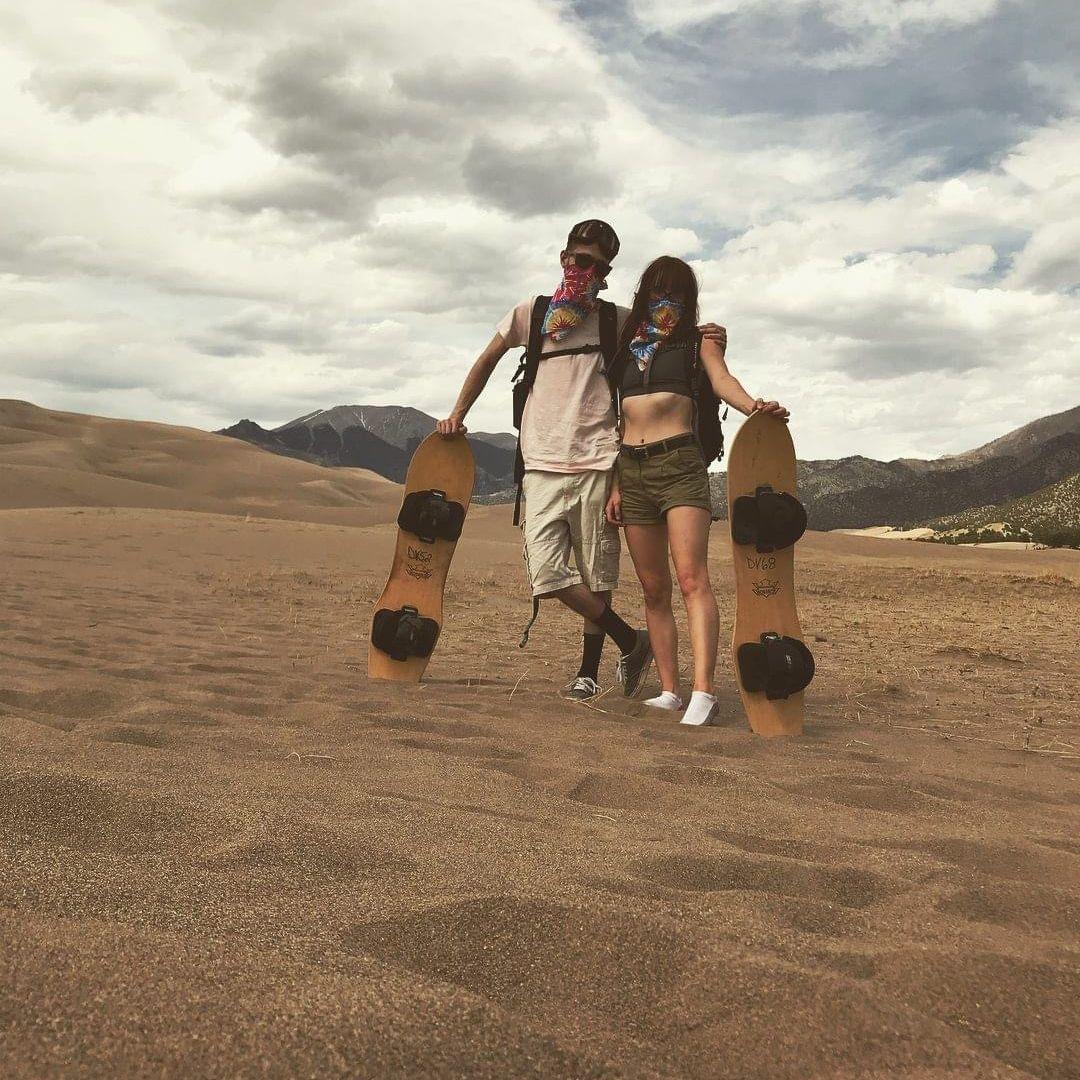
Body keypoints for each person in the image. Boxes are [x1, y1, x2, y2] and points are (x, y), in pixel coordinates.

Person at [436, 221, 725, 700]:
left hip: (598, 460)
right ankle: (628, 638)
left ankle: (588, 672)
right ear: (563, 257)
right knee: (546, 575)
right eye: (576, 258)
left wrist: (709, 335)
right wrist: (456, 415)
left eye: (593, 263)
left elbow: (669, 333)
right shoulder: (532, 313)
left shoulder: (618, 322)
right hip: (541, 462)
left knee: (596, 573)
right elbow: (486, 359)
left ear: (605, 271)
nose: (581, 268)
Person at [604, 256, 789, 727]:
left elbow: (721, 379)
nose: (666, 300)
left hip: (680, 464)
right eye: (657, 290)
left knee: (691, 578)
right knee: (652, 588)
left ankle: (703, 692)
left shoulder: (696, 343)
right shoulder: (629, 347)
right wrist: (616, 485)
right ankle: (670, 689)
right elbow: (616, 420)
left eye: (677, 292)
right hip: (633, 470)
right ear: (643, 293)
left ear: (688, 299)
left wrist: (753, 407)